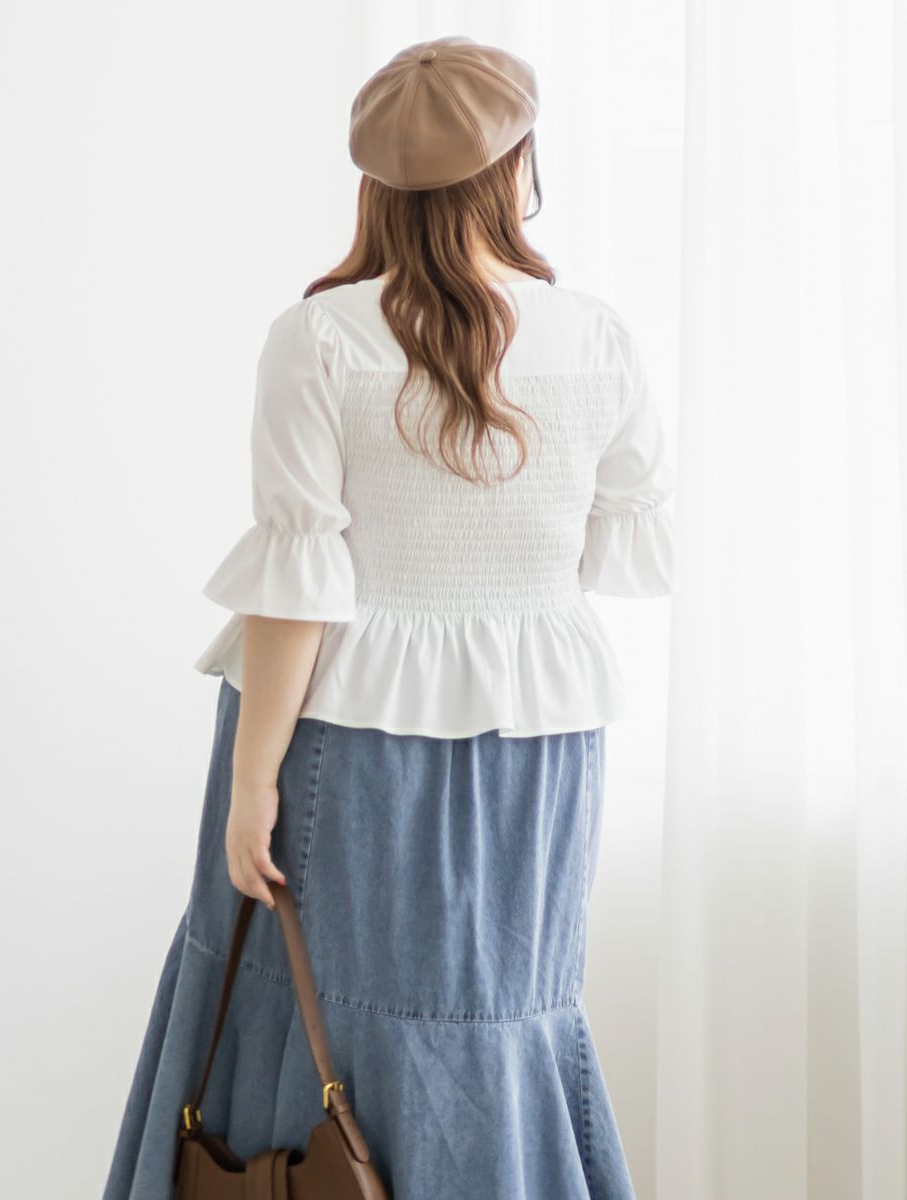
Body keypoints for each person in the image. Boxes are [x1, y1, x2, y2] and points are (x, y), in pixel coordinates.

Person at [103, 34, 679, 1200]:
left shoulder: (319, 338)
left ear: (374, 185)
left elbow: (297, 590)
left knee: (305, 1011)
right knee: (503, 1011)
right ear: (517, 170)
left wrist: (252, 782)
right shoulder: (596, 338)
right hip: (537, 753)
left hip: (342, 748)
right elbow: (612, 543)